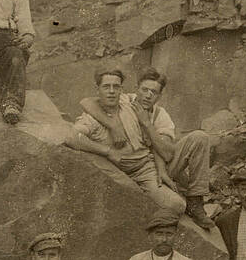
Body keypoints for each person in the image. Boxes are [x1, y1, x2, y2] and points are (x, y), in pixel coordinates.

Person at [78, 68, 216, 228]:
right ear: (136, 89)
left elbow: (166, 153)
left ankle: (196, 202)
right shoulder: (126, 101)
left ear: (160, 96)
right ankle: (168, 195)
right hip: (140, 169)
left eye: (154, 92)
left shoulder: (160, 114)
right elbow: (86, 102)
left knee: (200, 137)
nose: (148, 95)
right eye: (144, 90)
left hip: (163, 164)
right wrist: (113, 125)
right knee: (174, 203)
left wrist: (147, 124)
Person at [62, 68, 186, 216]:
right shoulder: (91, 118)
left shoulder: (132, 107)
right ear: (97, 90)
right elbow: (71, 137)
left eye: (116, 87)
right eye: (106, 87)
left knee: (178, 205)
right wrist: (108, 150)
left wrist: (160, 169)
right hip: (122, 174)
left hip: (147, 169)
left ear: (122, 90)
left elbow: (156, 143)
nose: (112, 91)